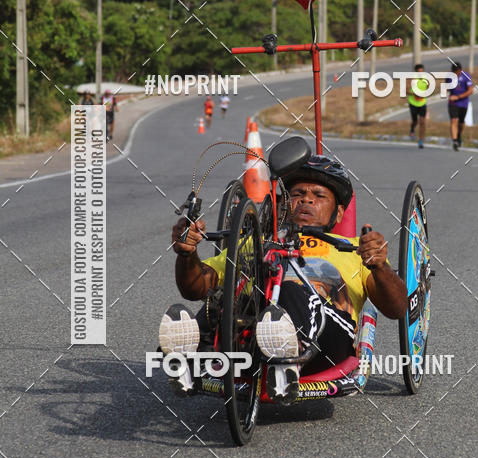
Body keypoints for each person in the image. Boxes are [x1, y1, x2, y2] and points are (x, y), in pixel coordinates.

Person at [159, 156, 408, 403]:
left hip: (325, 342)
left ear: (340, 212)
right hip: (250, 336)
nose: (307, 199)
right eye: (297, 193)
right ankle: (190, 353)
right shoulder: (254, 244)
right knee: (227, 297)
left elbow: (396, 308)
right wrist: (187, 254)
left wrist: (380, 267)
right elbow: (196, 287)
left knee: (290, 285)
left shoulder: (355, 250)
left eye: (319, 196)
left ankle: (289, 350)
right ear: (283, 204)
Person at [447, 62, 473, 151]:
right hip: (453, 103)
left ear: (460, 70)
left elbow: (470, 91)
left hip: (463, 103)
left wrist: (458, 97)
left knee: (461, 122)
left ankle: (458, 136)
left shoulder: (466, 76)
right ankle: (454, 141)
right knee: (454, 120)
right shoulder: (449, 77)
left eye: (457, 73)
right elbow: (446, 88)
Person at [408, 63, 428, 149]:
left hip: (422, 103)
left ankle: (421, 140)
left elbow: (429, 90)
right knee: (415, 121)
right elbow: (406, 90)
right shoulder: (412, 79)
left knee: (422, 122)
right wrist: (415, 93)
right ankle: (412, 128)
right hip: (413, 103)